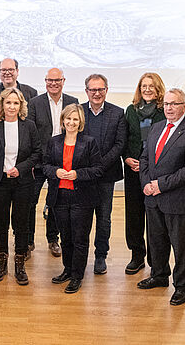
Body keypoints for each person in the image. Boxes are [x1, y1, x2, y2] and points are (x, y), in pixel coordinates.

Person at [137, 88, 185, 307]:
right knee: (155, 241)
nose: (169, 108)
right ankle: (159, 275)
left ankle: (181, 286)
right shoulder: (156, 127)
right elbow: (144, 158)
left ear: (184, 106)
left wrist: (160, 185)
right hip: (152, 196)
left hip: (176, 199)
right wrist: (146, 183)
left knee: (179, 245)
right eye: (166, 104)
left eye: (174, 104)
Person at [0, 87, 41, 285]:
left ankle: (20, 264)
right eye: (8, 102)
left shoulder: (29, 126)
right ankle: (2, 263)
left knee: (21, 224)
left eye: (16, 103)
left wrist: (20, 168)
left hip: (23, 182)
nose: (12, 106)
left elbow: (36, 154)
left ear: (21, 105)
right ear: (2, 105)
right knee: (0, 224)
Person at [44, 104, 102, 294]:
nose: (71, 122)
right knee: (66, 238)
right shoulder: (53, 142)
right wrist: (55, 171)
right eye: (68, 118)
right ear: (63, 120)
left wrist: (78, 174)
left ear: (81, 122)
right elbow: (44, 166)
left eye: (75, 119)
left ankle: (77, 276)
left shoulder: (89, 142)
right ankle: (67, 270)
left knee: (79, 239)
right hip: (59, 197)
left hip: (82, 198)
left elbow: (97, 170)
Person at [26, 68, 79, 258]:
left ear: (63, 80)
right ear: (45, 81)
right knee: (30, 201)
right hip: (39, 162)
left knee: (56, 201)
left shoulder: (73, 102)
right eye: (50, 80)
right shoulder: (34, 103)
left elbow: (77, 130)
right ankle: (28, 241)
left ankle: (52, 239)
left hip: (63, 162)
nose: (53, 84)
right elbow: (30, 133)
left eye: (57, 80)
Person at [79, 74, 126, 275]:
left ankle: (100, 256)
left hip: (106, 175)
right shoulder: (77, 111)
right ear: (86, 91)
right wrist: (89, 168)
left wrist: (99, 166)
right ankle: (80, 256)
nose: (97, 93)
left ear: (106, 90)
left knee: (104, 218)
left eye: (100, 89)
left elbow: (119, 144)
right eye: (92, 90)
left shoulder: (118, 113)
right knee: (82, 217)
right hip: (83, 176)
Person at [122, 72, 166, 275]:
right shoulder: (130, 110)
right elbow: (123, 138)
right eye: (143, 86)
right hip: (133, 169)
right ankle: (137, 256)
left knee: (155, 216)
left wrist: (148, 164)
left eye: (151, 86)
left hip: (155, 172)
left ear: (158, 89)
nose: (147, 89)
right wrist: (126, 157)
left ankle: (156, 260)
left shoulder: (164, 111)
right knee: (134, 214)